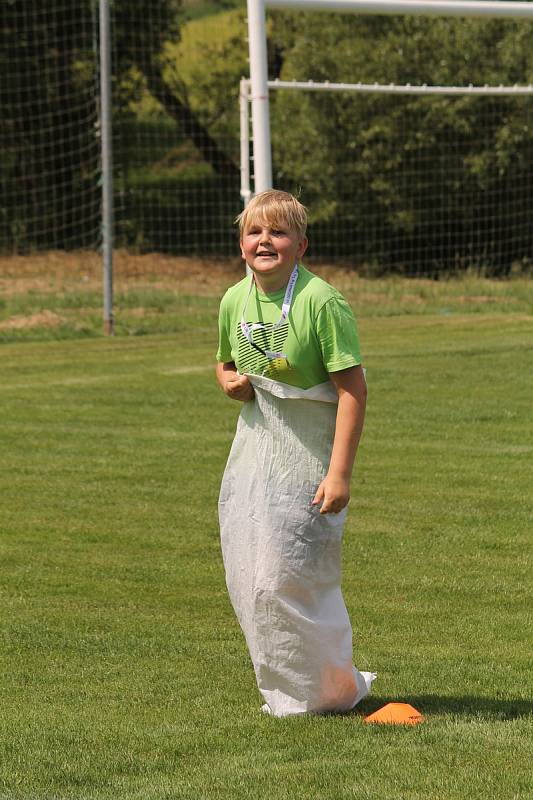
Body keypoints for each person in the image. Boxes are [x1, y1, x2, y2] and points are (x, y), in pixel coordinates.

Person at [216, 189, 375, 717]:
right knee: (248, 575)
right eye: (255, 232)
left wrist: (339, 475)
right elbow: (224, 363)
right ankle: (290, 691)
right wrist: (231, 384)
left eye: (278, 232)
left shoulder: (322, 303)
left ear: (300, 245)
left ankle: (331, 689)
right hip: (256, 448)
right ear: (241, 245)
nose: (266, 240)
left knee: (291, 574)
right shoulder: (234, 300)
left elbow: (353, 390)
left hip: (308, 452)